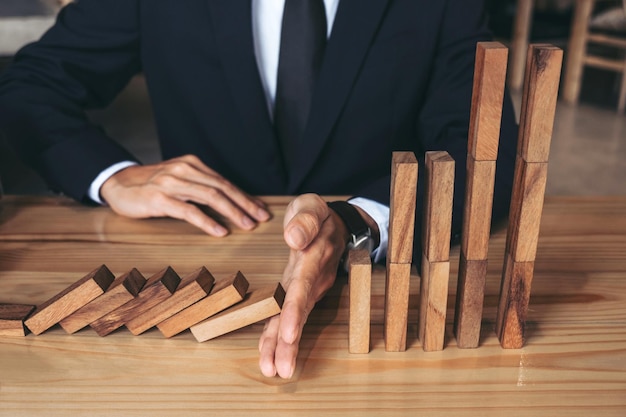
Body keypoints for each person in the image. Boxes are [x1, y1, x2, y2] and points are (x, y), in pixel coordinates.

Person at [0, 0, 518, 379]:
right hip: (197, 304)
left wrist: (358, 221)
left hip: (379, 321)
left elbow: (481, 149)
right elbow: (31, 85)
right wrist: (110, 175)